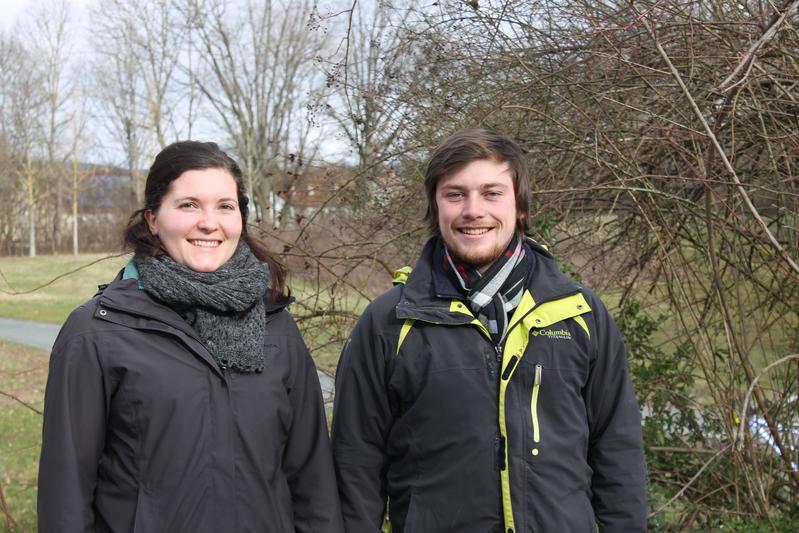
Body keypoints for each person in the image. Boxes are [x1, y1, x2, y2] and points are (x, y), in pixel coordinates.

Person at [331, 128, 646, 532]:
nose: (473, 210)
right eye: (455, 194)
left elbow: (618, 451)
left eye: (492, 193)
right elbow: (355, 463)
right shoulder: (390, 322)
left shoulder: (580, 315)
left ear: (521, 208)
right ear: (435, 207)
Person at [38, 141, 343, 532]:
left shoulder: (277, 327)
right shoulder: (96, 333)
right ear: (152, 219)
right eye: (189, 205)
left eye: (225, 206)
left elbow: (312, 481)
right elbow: (66, 495)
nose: (209, 222)